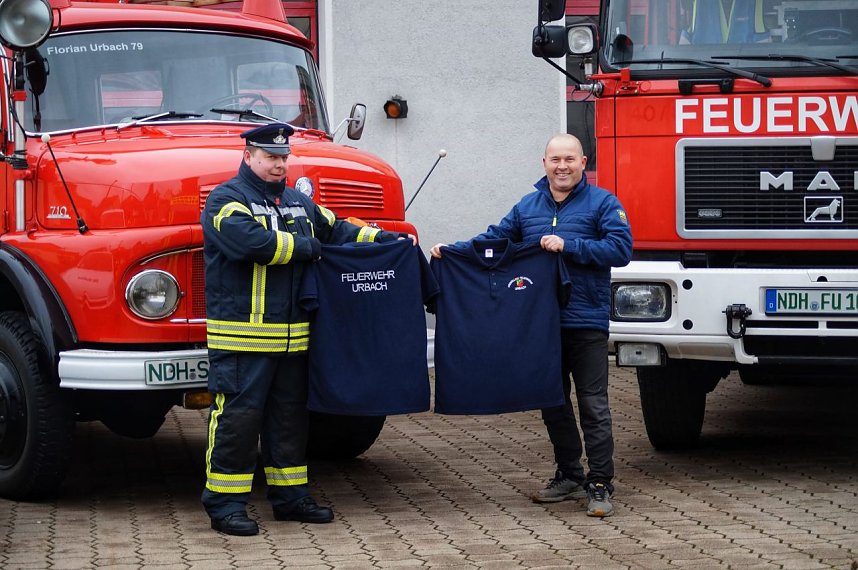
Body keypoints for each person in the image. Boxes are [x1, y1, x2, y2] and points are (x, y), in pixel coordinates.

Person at [200, 122, 409, 536]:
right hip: (244, 339)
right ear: (248, 157)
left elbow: (338, 228)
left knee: (290, 421)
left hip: (293, 339)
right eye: (270, 157)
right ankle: (225, 505)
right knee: (238, 421)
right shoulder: (225, 200)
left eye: (283, 157)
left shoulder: (298, 202)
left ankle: (291, 498)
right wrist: (311, 248)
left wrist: (384, 239)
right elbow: (255, 245)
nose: (279, 164)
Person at [429, 133, 632, 517]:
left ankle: (600, 483)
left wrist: (568, 245)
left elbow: (620, 249)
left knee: (593, 405)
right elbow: (495, 240)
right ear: (544, 164)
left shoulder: (603, 203)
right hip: (540, 324)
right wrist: (454, 251)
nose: (562, 166)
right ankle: (569, 474)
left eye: (569, 159)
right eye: (555, 159)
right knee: (552, 401)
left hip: (585, 322)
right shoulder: (527, 207)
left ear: (583, 163)